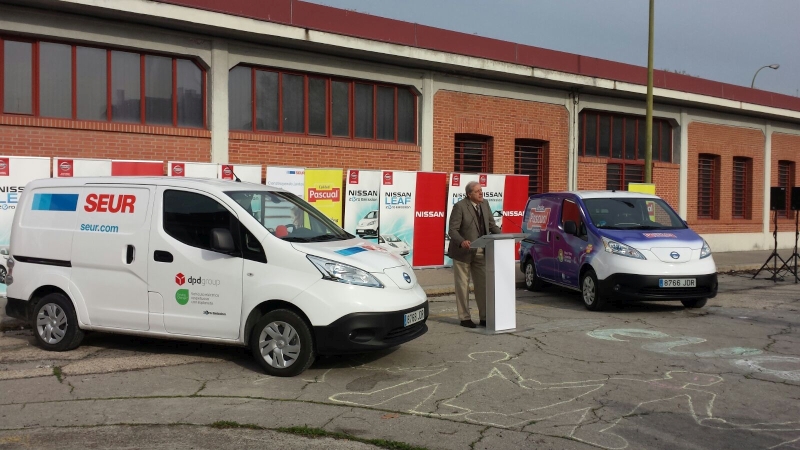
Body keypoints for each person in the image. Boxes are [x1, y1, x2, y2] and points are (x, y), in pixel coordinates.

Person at [447, 181, 501, 328]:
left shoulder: (485, 204)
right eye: (477, 191)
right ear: (469, 194)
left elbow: (491, 225)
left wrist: (504, 237)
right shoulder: (460, 206)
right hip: (463, 252)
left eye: (481, 190)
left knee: (483, 285)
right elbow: (452, 230)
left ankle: (484, 317)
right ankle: (464, 318)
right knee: (463, 286)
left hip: (481, 251)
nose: (480, 193)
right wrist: (462, 241)